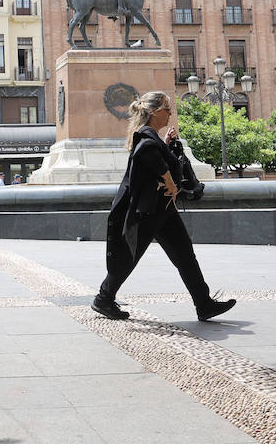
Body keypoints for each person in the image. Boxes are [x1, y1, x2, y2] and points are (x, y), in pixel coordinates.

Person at [92, 91, 235, 322]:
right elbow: (145, 152)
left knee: (184, 253)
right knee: (132, 254)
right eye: (167, 108)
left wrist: (166, 145)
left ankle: (204, 303)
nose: (170, 113)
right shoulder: (146, 134)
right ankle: (104, 298)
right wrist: (167, 177)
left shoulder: (151, 135)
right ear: (154, 112)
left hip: (161, 208)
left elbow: (151, 151)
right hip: (149, 210)